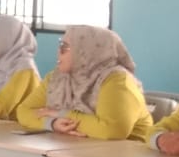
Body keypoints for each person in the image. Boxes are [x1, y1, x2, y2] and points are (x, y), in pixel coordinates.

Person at [14, 25, 150, 140]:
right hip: (78, 151)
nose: (59, 52)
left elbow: (111, 130)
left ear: (86, 50)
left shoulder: (117, 80)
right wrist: (53, 123)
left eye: (64, 47)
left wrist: (60, 113)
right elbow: (23, 111)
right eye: (60, 45)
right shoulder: (57, 78)